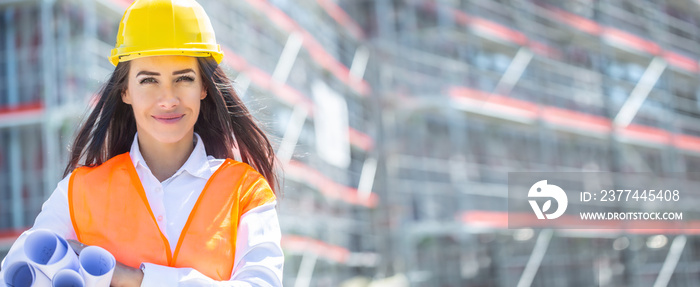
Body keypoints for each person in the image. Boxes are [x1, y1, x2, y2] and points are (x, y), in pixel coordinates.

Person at [0, 0, 283, 286]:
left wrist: (134, 278)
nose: (168, 99)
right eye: (149, 80)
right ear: (125, 91)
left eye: (183, 78)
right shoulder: (79, 193)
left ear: (203, 87)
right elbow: (15, 272)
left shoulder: (245, 193)